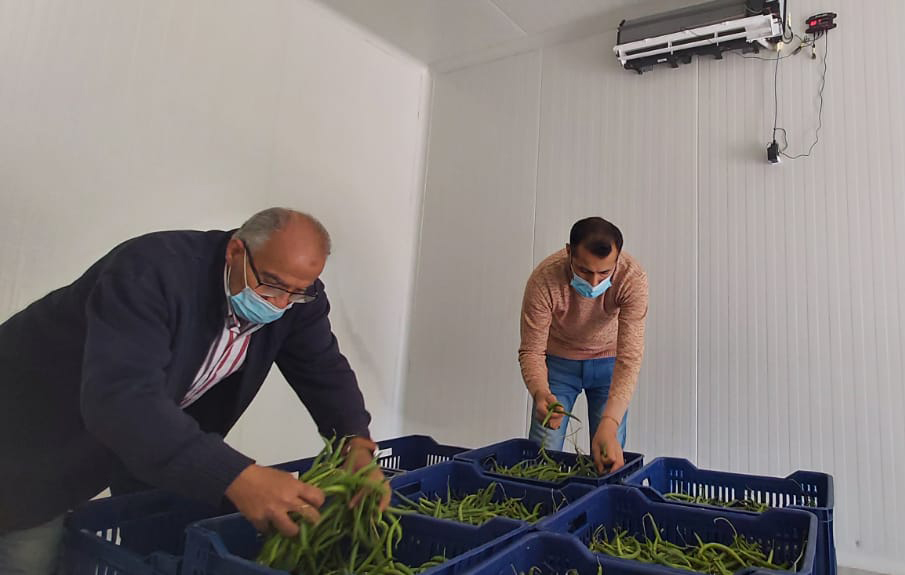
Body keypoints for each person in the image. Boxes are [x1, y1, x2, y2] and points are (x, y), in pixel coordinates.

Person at [0, 207, 387, 574]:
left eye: (297, 292)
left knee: (151, 542)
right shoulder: (150, 271)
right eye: (272, 285)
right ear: (237, 250)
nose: (281, 303)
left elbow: (322, 369)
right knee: (28, 555)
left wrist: (357, 444)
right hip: (28, 425)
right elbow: (121, 397)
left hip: (138, 435)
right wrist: (237, 475)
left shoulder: (294, 297)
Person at [518, 216, 648, 473]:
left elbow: (630, 357)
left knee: (607, 453)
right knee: (544, 450)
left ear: (618, 258)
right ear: (569, 253)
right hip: (559, 364)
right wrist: (540, 392)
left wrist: (610, 422)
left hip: (609, 365)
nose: (594, 283)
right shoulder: (544, 279)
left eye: (604, 273)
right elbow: (531, 350)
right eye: (585, 271)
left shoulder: (632, 278)